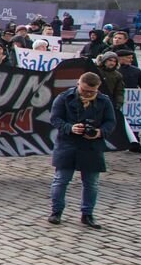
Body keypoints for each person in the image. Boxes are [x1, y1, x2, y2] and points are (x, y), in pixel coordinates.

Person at [48, 71, 115, 229]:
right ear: (78, 84)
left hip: (92, 146)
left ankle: (87, 214)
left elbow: (110, 122)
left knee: (91, 183)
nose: (88, 94)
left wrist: (100, 132)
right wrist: (70, 128)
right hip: (68, 144)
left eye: (92, 91)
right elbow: (55, 118)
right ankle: (56, 212)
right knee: (61, 180)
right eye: (84, 90)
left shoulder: (103, 101)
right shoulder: (65, 97)